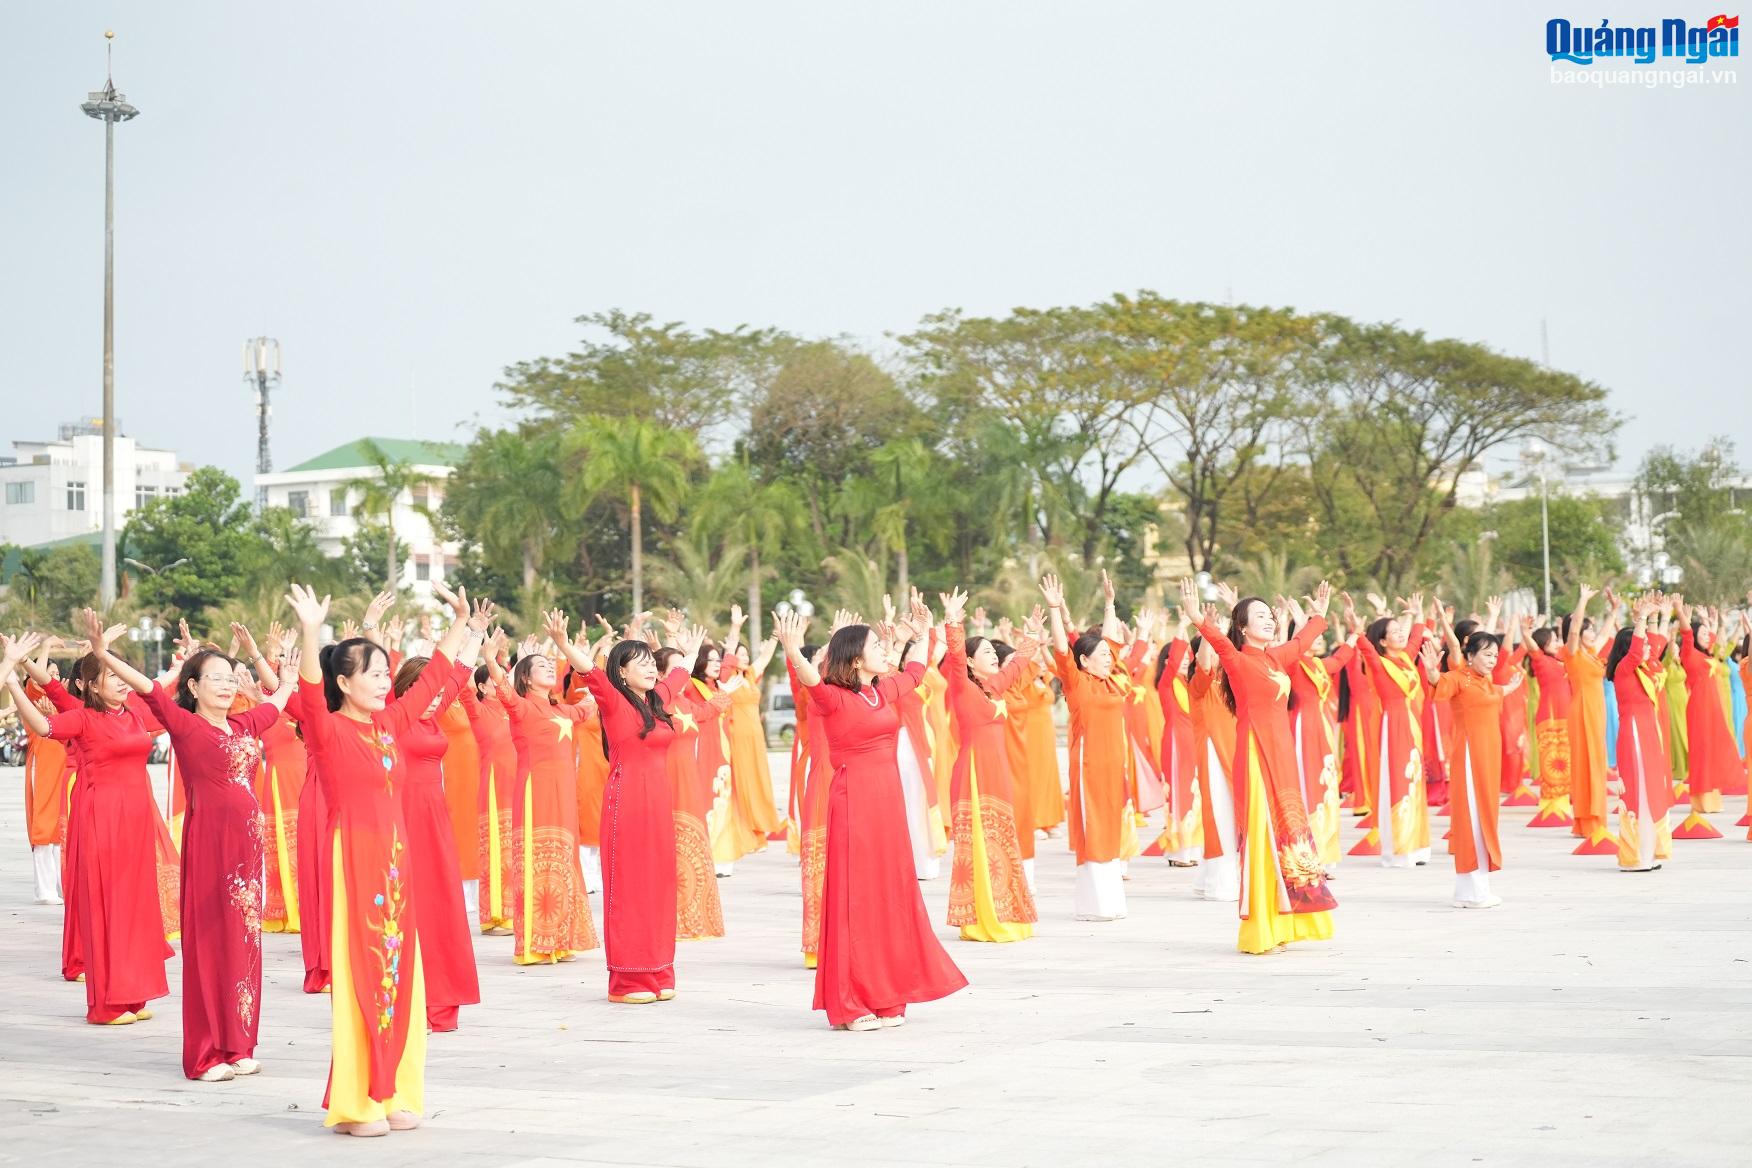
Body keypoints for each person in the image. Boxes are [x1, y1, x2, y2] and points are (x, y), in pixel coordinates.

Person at [284, 579, 488, 1136]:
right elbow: (305, 689)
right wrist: (309, 631)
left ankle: (393, 1089)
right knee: (361, 981)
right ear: (344, 682)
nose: (382, 680)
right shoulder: (326, 730)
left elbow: (436, 677)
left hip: (397, 867)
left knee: (403, 979)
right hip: (355, 864)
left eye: (383, 672)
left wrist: (464, 622)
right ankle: (357, 1101)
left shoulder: (390, 724)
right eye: (372, 673)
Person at [74, 608, 297, 1080]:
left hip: (246, 856)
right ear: (194, 687)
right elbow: (151, 691)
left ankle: (239, 1045)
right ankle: (204, 1055)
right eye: (213, 678)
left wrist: (289, 676)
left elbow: (277, 703)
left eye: (229, 677)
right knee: (210, 947)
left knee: (245, 946)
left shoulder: (243, 726)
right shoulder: (185, 725)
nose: (224, 684)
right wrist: (101, 656)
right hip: (210, 850)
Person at [775, 598, 967, 1031]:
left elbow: (916, 672)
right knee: (855, 899)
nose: (885, 650)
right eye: (876, 645)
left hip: (888, 808)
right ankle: (851, 1003)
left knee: (889, 896)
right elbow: (809, 679)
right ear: (855, 657)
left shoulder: (884, 691)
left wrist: (923, 631)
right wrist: (792, 648)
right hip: (853, 804)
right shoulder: (832, 699)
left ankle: (886, 995)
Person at [4, 627, 175, 1027]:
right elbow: (46, 727)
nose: (120, 681)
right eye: (111, 676)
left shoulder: (134, 712)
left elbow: (157, 692)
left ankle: (131, 994)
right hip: (102, 817)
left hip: (135, 819)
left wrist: (107, 653)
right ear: (90, 685)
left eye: (122, 674)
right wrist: (14, 678)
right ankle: (106, 1002)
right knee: (109, 905)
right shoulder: (81, 717)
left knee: (135, 905)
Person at [1185, 579, 1338, 955]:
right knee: (1261, 835)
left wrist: (1319, 613)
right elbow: (1219, 644)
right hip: (1254, 755)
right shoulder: (1238, 660)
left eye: (1270, 616)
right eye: (1260, 617)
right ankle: (1260, 926)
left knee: (1289, 832)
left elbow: (1302, 642)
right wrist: (1196, 619)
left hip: (1283, 755)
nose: (1269, 621)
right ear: (1242, 627)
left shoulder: (1276, 658)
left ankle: (1286, 919)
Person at [552, 612, 697, 1004]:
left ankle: (660, 971)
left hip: (658, 806)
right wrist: (565, 643)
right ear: (622, 671)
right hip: (627, 805)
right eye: (643, 664)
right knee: (631, 889)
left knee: (659, 886)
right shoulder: (614, 702)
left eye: (653, 663)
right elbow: (589, 672)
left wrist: (682, 641)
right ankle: (629, 981)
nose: (652, 669)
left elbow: (680, 672)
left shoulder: (658, 700)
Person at [486, 618, 600, 966]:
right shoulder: (521, 707)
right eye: (541, 665)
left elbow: (592, 704)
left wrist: (599, 678)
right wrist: (492, 660)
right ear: (525, 677)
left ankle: (561, 937)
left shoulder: (563, 709)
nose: (550, 668)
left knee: (565, 859)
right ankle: (536, 941)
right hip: (536, 794)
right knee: (538, 860)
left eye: (551, 664)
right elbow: (503, 689)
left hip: (564, 795)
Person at [390, 650, 484, 1031]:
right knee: (408, 907)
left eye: (435, 693)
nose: (432, 699)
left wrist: (471, 629)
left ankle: (441, 1001)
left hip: (435, 821)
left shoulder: (432, 714)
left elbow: (457, 675)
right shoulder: (394, 717)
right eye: (423, 691)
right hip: (402, 820)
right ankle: (404, 1000)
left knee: (441, 905)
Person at [941, 591, 1042, 943]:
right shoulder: (962, 687)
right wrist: (953, 621)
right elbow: (953, 659)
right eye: (985, 652)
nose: (993, 656)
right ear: (970, 662)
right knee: (980, 846)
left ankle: (1006, 912)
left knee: (1003, 841)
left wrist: (1030, 638)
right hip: (973, 774)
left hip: (998, 775)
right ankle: (982, 917)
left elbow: (1015, 666)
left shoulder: (994, 688)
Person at [1041, 572, 1134, 920]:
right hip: (1089, 766)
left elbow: (1110, 640)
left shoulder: (1112, 682)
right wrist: (1055, 610)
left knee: (1111, 826)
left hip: (1114, 766)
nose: (1108, 658)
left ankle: (1111, 901)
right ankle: (1095, 904)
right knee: (1093, 827)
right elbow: (1063, 650)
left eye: (1108, 656)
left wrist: (1110, 603)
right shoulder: (1077, 684)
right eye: (1100, 655)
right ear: (1084, 661)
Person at [1430, 610, 1519, 909]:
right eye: (1487, 654)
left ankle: (1471, 890)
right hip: (1469, 757)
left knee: (1485, 818)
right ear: (1470, 655)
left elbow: (1498, 691)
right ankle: (1473, 889)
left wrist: (1511, 688)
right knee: (1473, 818)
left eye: (1495, 655)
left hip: (1488, 758)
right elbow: (1438, 684)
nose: (1493, 660)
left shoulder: (1486, 682)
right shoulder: (1458, 678)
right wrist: (1431, 671)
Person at [1353, 596, 1434, 868]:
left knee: (1414, 783)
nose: (1402, 634)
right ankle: (1399, 849)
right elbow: (1365, 649)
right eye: (1395, 632)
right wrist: (1355, 626)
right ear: (1383, 641)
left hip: (1412, 727)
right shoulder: (1379, 664)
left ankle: (1418, 847)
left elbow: (1416, 639)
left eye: (1402, 630)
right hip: (1393, 727)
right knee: (1398, 784)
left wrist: (1420, 615)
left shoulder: (1406, 660)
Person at [1607, 595, 1675, 872]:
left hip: (1648, 736)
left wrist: (1662, 618)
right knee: (1638, 792)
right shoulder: (1625, 669)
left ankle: (1647, 854)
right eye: (1643, 642)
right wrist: (1641, 619)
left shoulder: (1645, 670)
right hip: (1634, 736)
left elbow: (1656, 645)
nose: (1649, 647)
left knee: (1651, 792)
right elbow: (1638, 650)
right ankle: (1634, 857)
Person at [459, 644, 517, 935]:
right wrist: (475, 644)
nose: (501, 681)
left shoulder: (514, 711)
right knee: (496, 851)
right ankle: (495, 916)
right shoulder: (479, 710)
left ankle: (514, 911)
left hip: (518, 787)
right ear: (483, 685)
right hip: (495, 788)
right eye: (494, 678)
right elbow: (464, 687)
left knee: (514, 852)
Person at [1673, 599, 1732, 838]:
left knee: (1714, 749)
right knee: (1701, 750)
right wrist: (1679, 611)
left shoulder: (1709, 654)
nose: (1708, 637)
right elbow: (1687, 632)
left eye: (1709, 634)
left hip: (1714, 706)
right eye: (1704, 633)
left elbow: (1719, 643)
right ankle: (1700, 800)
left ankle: (1713, 798)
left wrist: (1714, 623)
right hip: (1698, 706)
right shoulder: (1689, 653)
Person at [1565, 586, 1618, 855]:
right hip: (1582, 711)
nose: (1590, 632)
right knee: (1585, 763)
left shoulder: (1592, 653)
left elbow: (1606, 633)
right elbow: (1573, 630)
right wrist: (1583, 600)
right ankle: (1587, 819)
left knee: (1595, 763)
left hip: (1596, 712)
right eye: (1587, 629)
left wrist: (1614, 610)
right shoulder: (1572, 653)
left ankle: (1593, 817)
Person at [19, 640, 70, 905]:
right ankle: (45, 889)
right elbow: (39, 678)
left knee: (61, 826)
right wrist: (47, 647)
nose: (54, 678)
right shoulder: (33, 694)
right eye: (49, 673)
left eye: (58, 674)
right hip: (43, 762)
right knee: (44, 826)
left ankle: (60, 885)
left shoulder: (61, 699)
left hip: (62, 762)